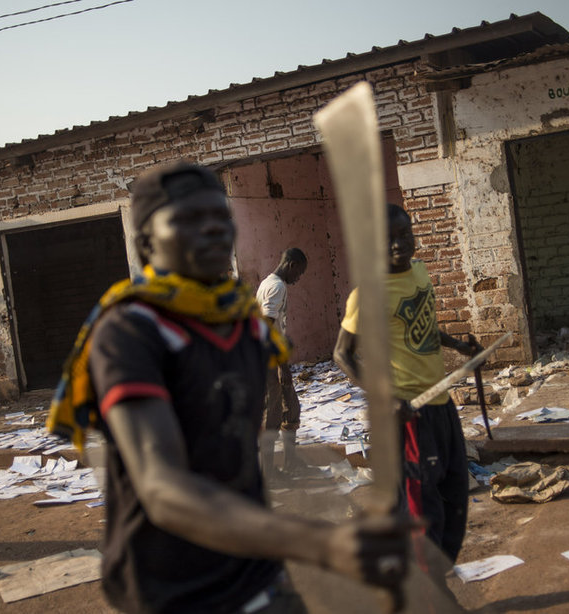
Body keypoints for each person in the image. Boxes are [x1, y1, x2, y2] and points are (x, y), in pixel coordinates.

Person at [48, 161, 410, 614]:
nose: (214, 230)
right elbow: (163, 490)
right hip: (173, 587)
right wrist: (318, 541)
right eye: (189, 220)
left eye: (221, 217)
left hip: (253, 567)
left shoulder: (241, 325)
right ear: (145, 242)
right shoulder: (131, 331)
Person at [334, 203, 481, 565]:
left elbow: (425, 323)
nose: (399, 245)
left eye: (404, 234)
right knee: (420, 508)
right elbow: (342, 354)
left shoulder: (419, 272)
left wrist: (459, 346)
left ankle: (436, 577)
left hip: (441, 404)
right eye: (388, 240)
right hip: (407, 415)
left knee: (454, 495)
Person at [256, 248, 308, 477]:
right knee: (273, 415)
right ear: (292, 265)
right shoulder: (276, 287)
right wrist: (282, 366)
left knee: (291, 410)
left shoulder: (269, 284)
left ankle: (291, 461)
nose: (298, 279)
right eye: (299, 273)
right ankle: (268, 472)